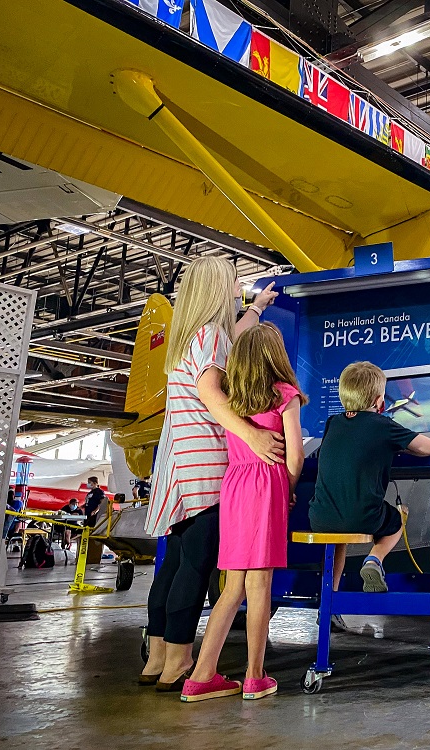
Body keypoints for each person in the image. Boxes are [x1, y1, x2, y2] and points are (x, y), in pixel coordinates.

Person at [140, 256, 285, 692]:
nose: (234, 293)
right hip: (206, 465)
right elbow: (211, 392)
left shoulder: (191, 337)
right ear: (218, 289)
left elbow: (231, 342)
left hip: (178, 466)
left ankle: (159, 656)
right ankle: (181, 660)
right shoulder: (208, 334)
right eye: (232, 286)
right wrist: (252, 436)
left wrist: (257, 308)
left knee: (175, 564)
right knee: (197, 566)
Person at [181, 324, 306, 702]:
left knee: (231, 588)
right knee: (260, 585)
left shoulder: (231, 399)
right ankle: (255, 676)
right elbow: (296, 456)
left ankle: (201, 676)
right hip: (267, 487)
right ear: (276, 356)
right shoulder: (285, 394)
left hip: (233, 487)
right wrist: (289, 488)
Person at [309, 361, 430, 595]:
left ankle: (331, 600)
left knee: (338, 540)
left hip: (320, 518)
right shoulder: (383, 425)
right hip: (363, 518)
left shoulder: (332, 423)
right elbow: (428, 447)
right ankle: (374, 559)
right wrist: (399, 446)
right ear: (380, 401)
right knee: (399, 516)